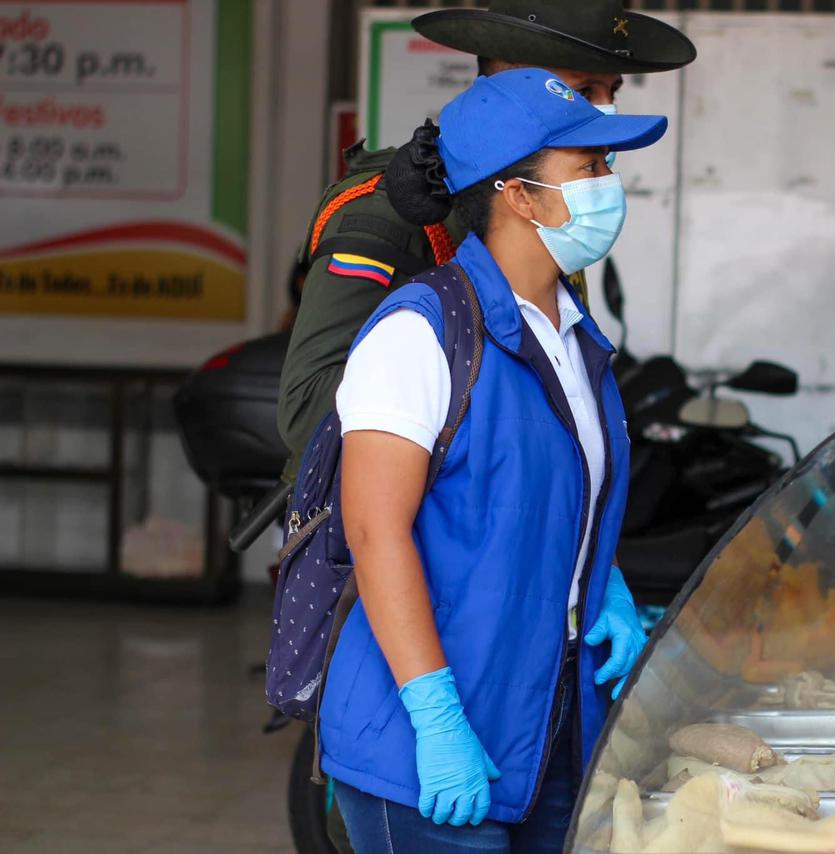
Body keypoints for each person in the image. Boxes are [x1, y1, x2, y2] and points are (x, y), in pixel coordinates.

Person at [322, 68, 666, 852]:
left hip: (542, 721)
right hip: (428, 742)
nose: (610, 186)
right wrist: (437, 718)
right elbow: (376, 532)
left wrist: (596, 581)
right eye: (589, 168)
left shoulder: (573, 334)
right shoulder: (422, 332)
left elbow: (548, 492)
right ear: (518, 196)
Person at [277, 0, 696, 478]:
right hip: (387, 526)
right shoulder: (387, 213)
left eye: (611, 91)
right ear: (506, 87)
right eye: (582, 90)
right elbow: (307, 406)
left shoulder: (558, 206)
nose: (604, 109)